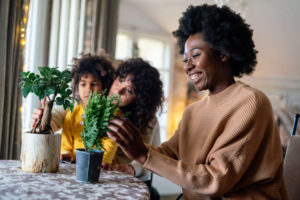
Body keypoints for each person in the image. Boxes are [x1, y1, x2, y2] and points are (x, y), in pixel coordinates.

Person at [106, 4, 288, 199]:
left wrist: (143, 154)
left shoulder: (250, 103)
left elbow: (216, 180)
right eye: (185, 60)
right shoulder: (192, 111)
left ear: (223, 52)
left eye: (195, 55)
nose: (188, 66)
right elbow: (168, 153)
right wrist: (131, 159)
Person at [32, 52, 117, 164]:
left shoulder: (110, 113)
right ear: (77, 86)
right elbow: (66, 142)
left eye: (94, 84)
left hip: (101, 166)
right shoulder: (72, 113)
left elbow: (110, 143)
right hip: (75, 166)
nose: (88, 89)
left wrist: (103, 161)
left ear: (104, 85)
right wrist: (66, 153)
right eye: (83, 84)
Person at [106, 57, 164, 183]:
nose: (119, 91)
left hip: (123, 180)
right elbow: (61, 112)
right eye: (120, 80)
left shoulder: (148, 120)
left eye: (130, 90)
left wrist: (132, 168)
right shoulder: (95, 97)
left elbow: (150, 160)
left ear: (140, 99)